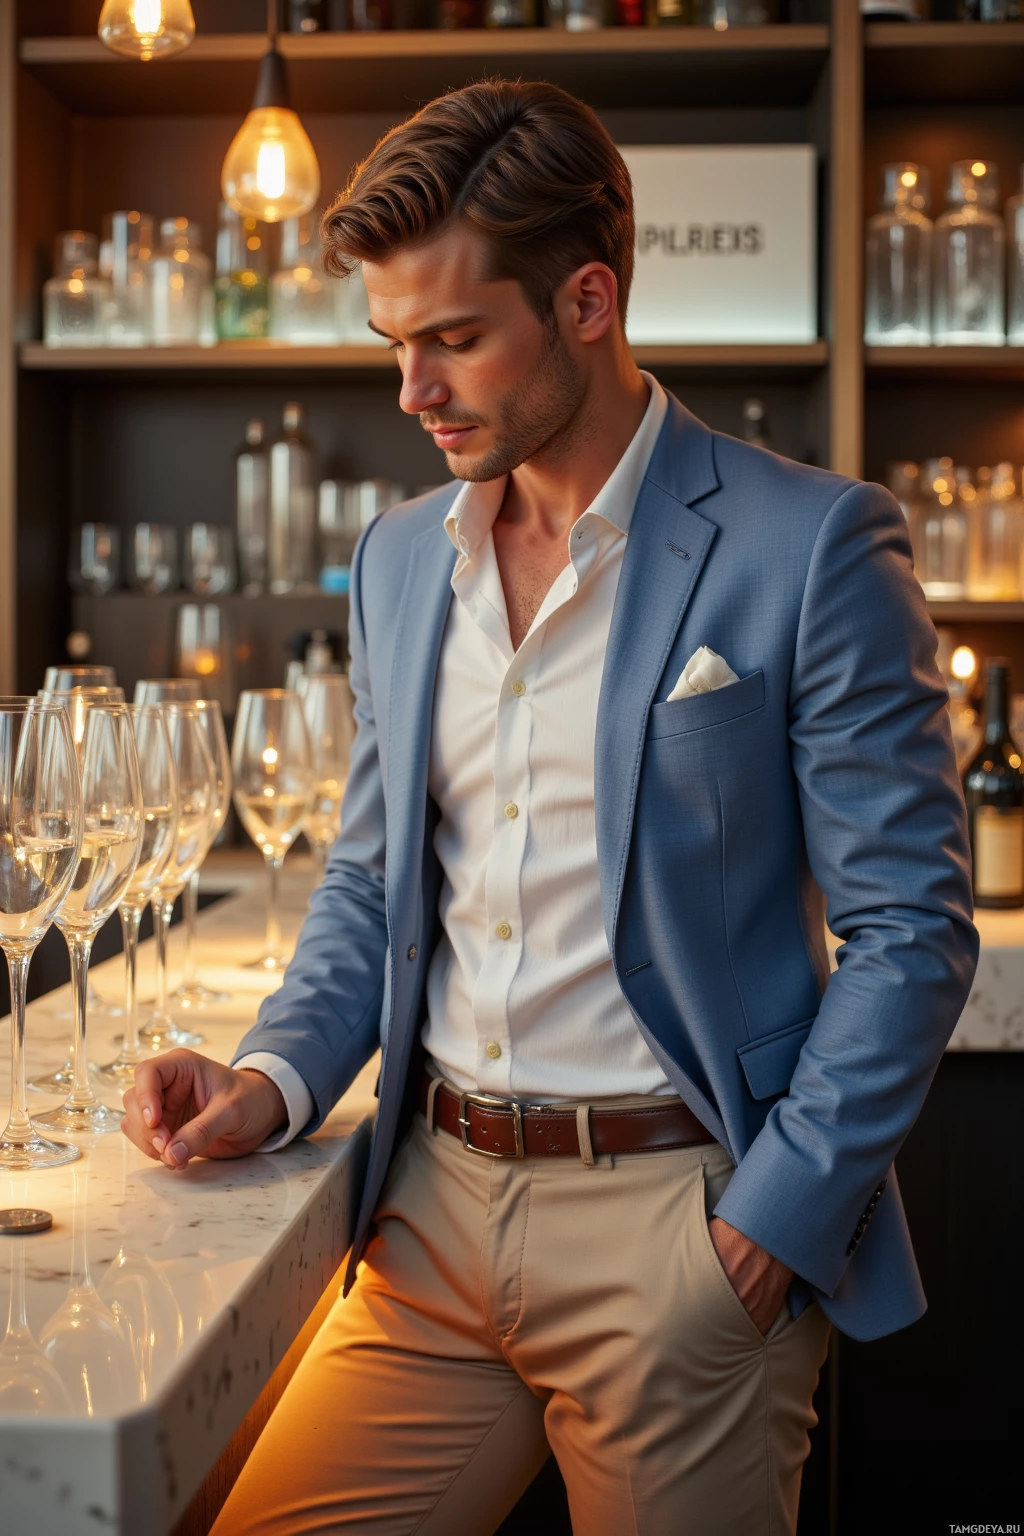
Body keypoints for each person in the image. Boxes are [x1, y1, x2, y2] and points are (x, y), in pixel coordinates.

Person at [121, 79, 978, 1536]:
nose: (413, 391)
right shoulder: (400, 561)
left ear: (589, 298)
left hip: (679, 1233)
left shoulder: (811, 542)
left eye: (454, 338)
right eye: (396, 344)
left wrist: (760, 1231)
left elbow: (913, 933)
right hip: (431, 1216)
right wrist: (269, 1081)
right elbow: (374, 882)